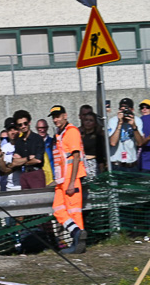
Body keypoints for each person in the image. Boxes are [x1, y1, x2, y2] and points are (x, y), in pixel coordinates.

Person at [48, 105, 87, 254]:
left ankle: (78, 243)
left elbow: (76, 157)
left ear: (65, 115)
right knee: (58, 209)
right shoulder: (61, 133)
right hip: (62, 179)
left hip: (71, 178)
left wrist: (71, 182)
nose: (55, 120)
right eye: (54, 117)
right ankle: (76, 233)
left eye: (58, 116)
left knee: (73, 211)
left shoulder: (71, 132)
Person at [9, 110, 46, 190]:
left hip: (36, 174)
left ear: (29, 122)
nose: (23, 126)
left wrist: (21, 161)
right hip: (24, 175)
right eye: (20, 125)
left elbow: (38, 160)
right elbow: (14, 162)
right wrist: (28, 158)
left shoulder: (37, 138)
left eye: (25, 123)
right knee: (25, 197)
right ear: (17, 126)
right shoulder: (18, 141)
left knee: (38, 197)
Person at [108, 97, 143, 172]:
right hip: (116, 164)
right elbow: (113, 143)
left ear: (132, 110)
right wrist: (119, 124)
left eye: (126, 109)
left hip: (131, 164)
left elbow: (140, 143)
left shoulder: (137, 120)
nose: (124, 112)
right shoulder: (113, 121)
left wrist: (134, 126)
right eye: (122, 109)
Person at [79, 112, 107, 178]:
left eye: (91, 120)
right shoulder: (80, 135)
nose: (88, 122)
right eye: (86, 120)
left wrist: (102, 170)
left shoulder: (98, 137)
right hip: (82, 163)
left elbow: (100, 155)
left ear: (95, 123)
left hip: (93, 164)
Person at [36, 118, 55, 184]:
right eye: (40, 128)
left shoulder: (52, 142)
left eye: (44, 127)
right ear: (36, 128)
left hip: (53, 178)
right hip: (39, 179)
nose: (42, 130)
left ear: (47, 128)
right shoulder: (33, 143)